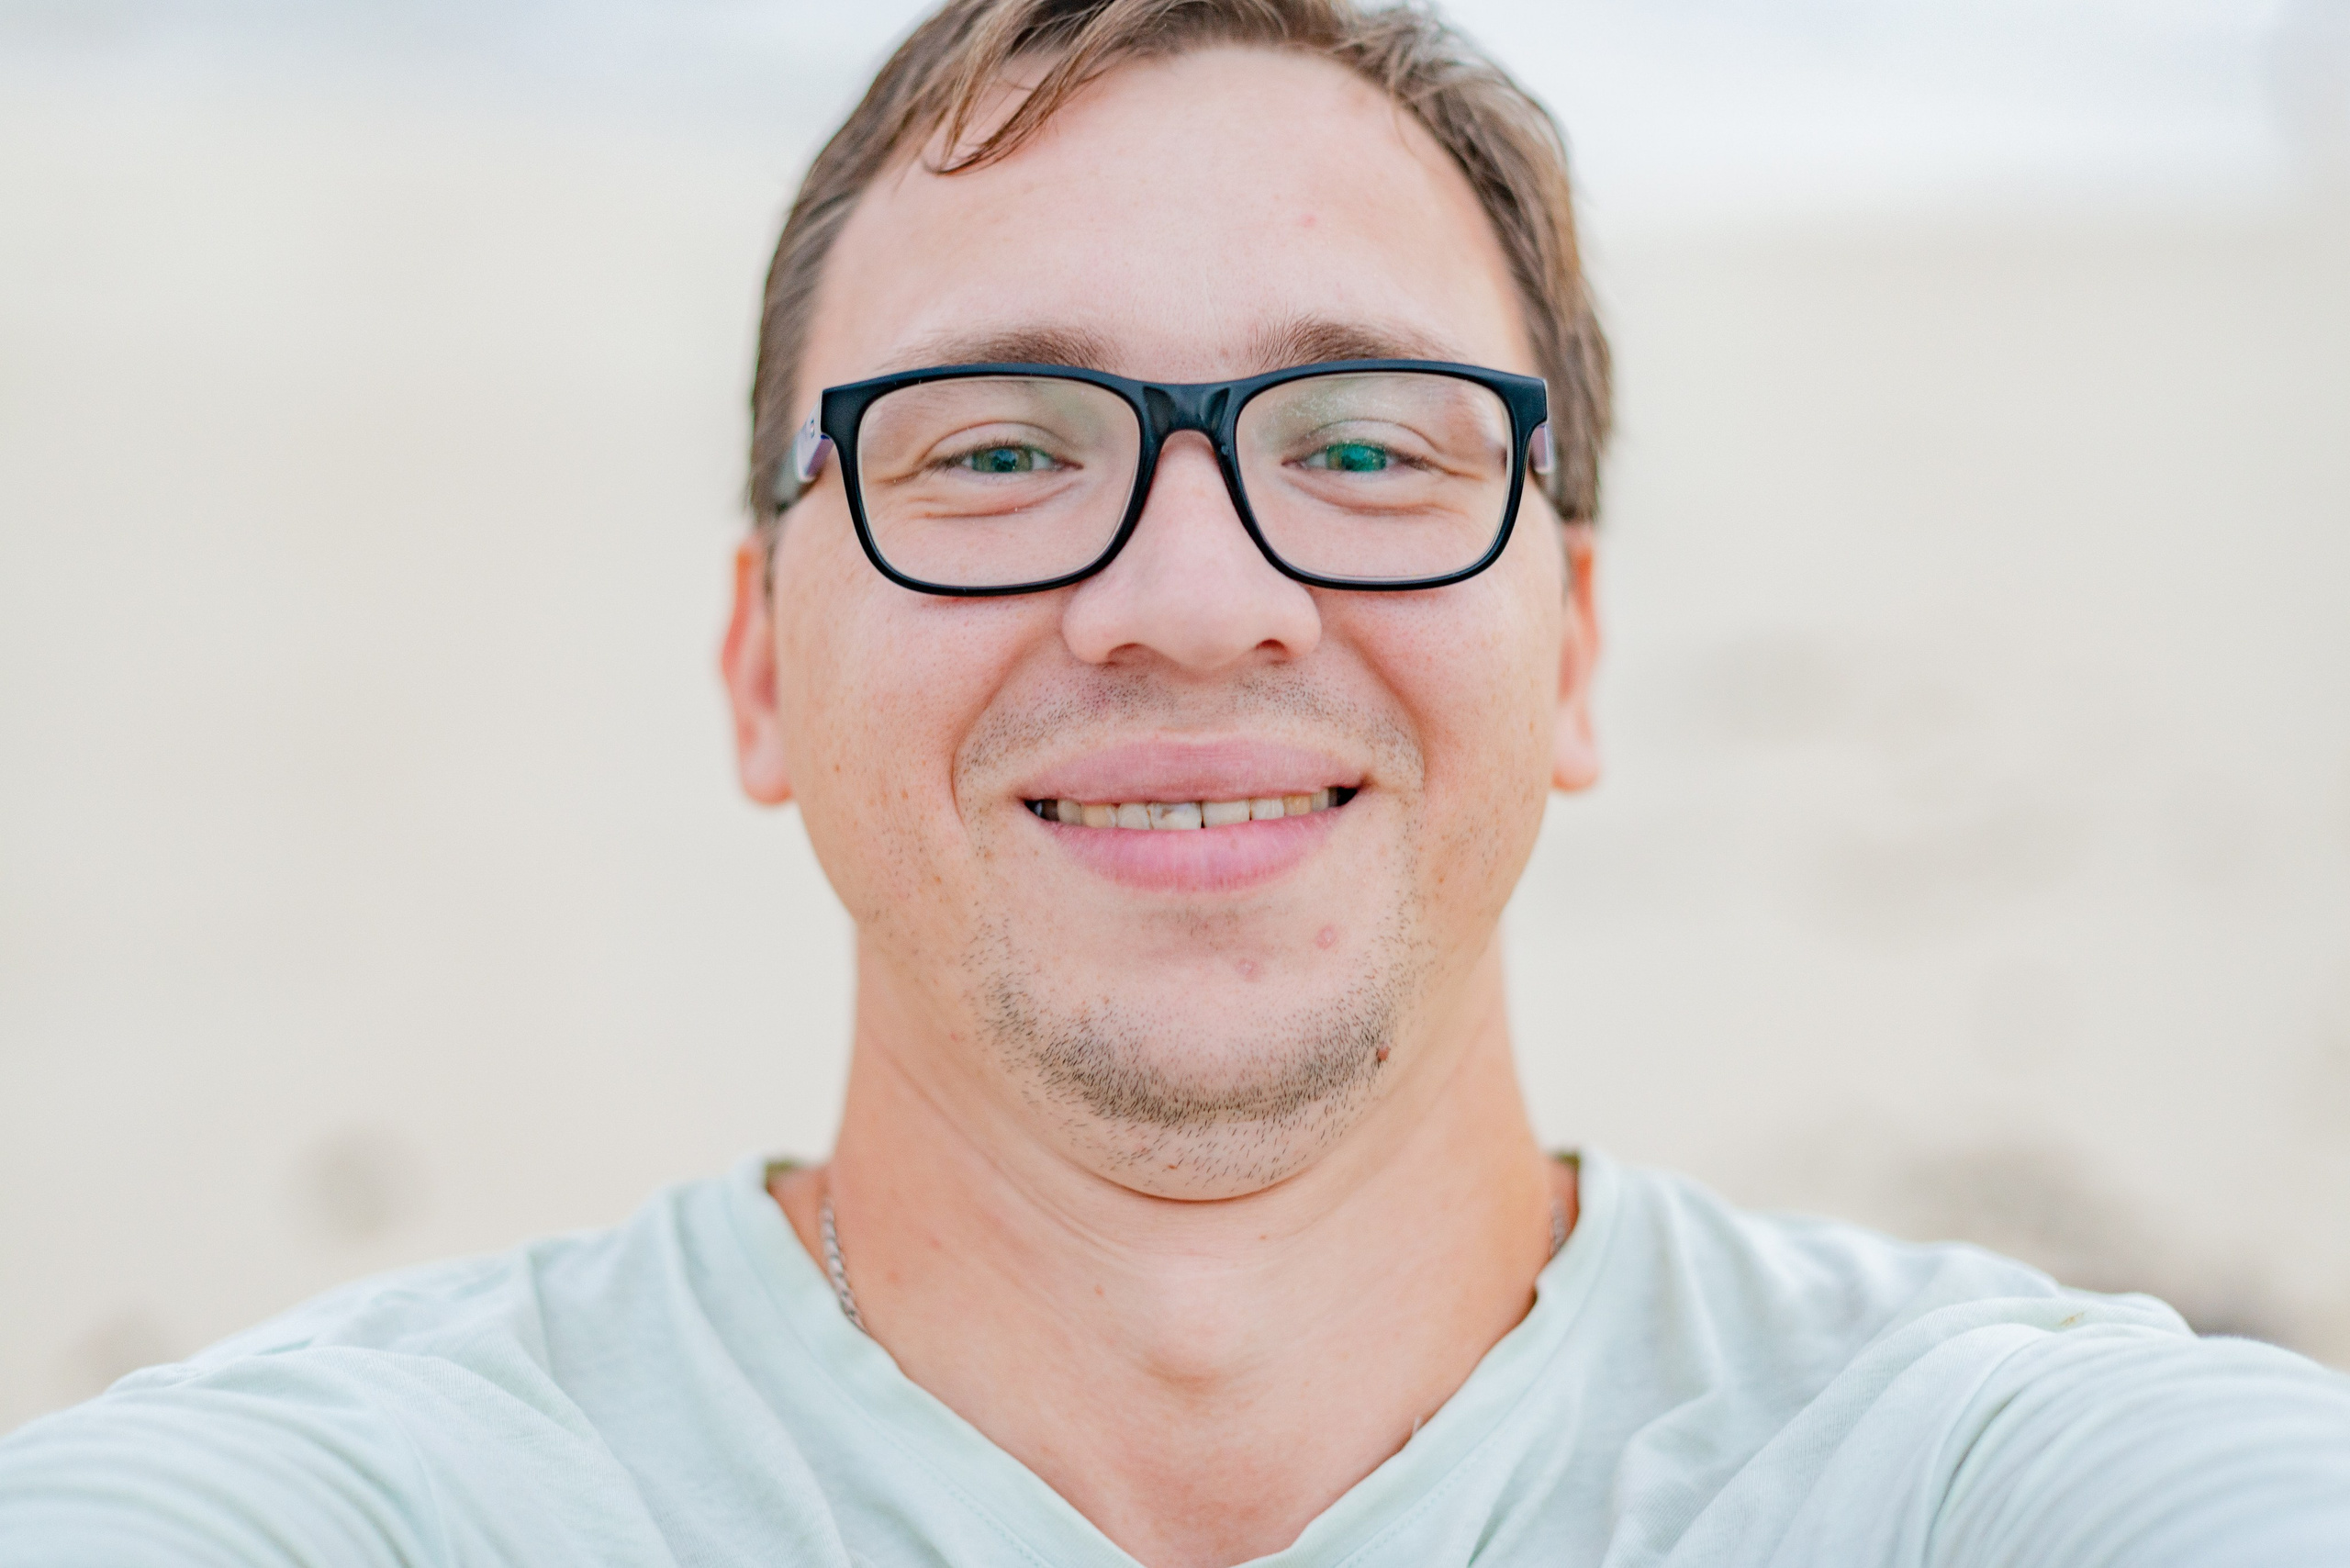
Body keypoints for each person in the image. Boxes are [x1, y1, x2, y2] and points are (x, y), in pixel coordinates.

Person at [6, 0, 2349, 1562]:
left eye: (1361, 444)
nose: (1196, 592)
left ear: (1575, 652)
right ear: (754, 664)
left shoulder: (1968, 1482)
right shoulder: (388, 1508)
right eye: (1002, 449)